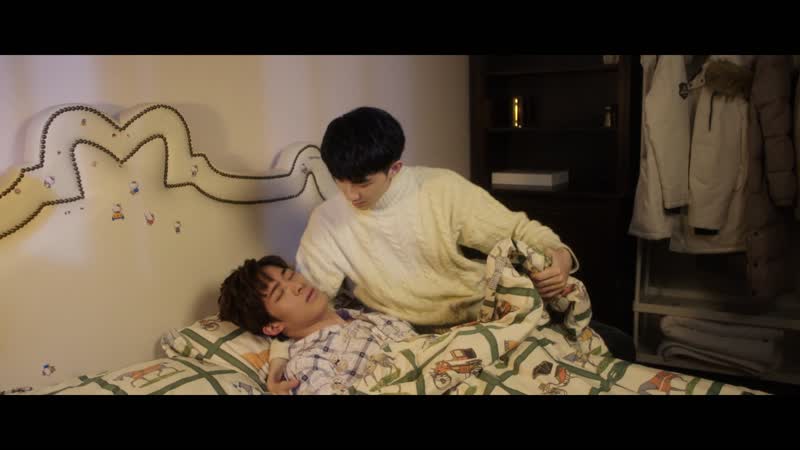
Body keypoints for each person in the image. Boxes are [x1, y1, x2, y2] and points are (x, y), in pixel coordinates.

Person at [267, 106, 632, 394]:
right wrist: (279, 358)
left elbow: (521, 231)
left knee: (615, 345)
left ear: (395, 168)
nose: (351, 195)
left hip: (483, 316)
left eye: (362, 183)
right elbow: (306, 303)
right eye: (340, 182)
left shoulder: (440, 188)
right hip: (413, 338)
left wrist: (561, 255)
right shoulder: (327, 222)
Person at [217, 255, 417, 395]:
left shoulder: (366, 316)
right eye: (280, 293)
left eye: (290, 275)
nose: (297, 286)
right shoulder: (307, 363)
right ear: (273, 326)